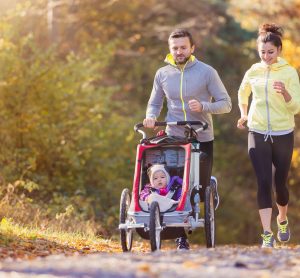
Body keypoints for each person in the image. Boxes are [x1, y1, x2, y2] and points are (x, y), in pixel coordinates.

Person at [143, 29, 232, 250]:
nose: (179, 51)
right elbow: (155, 103)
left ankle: (209, 184)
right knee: (176, 186)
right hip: (174, 137)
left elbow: (226, 103)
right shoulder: (162, 73)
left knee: (199, 191)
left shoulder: (207, 72)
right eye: (175, 48)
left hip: (201, 135)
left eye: (183, 47)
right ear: (170, 49)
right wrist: (151, 117)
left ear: (192, 48)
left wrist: (204, 106)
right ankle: (181, 236)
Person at [237, 23, 300, 248]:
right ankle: (267, 233)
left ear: (279, 50)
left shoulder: (289, 72)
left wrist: (285, 93)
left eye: (270, 52)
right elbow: (242, 93)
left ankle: (282, 219)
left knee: (279, 184)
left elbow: (296, 108)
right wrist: (244, 114)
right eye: (262, 52)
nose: (266, 56)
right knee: (263, 182)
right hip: (257, 130)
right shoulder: (253, 71)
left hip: (283, 132)